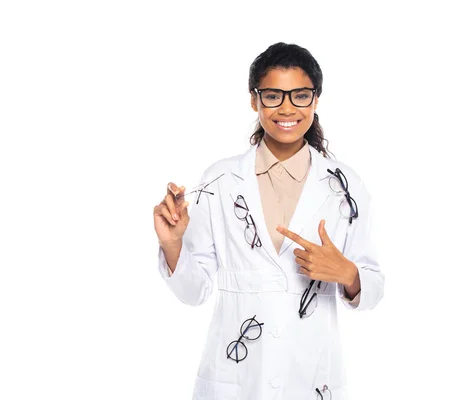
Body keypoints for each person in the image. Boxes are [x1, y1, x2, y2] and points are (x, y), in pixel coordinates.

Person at [152, 42, 384, 400]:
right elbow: (193, 292)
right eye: (273, 95)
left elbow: (373, 288)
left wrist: (347, 274)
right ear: (254, 100)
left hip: (311, 377)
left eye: (300, 95)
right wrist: (172, 244)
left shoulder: (345, 185)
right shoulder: (222, 180)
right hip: (235, 377)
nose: (287, 108)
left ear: (316, 100)